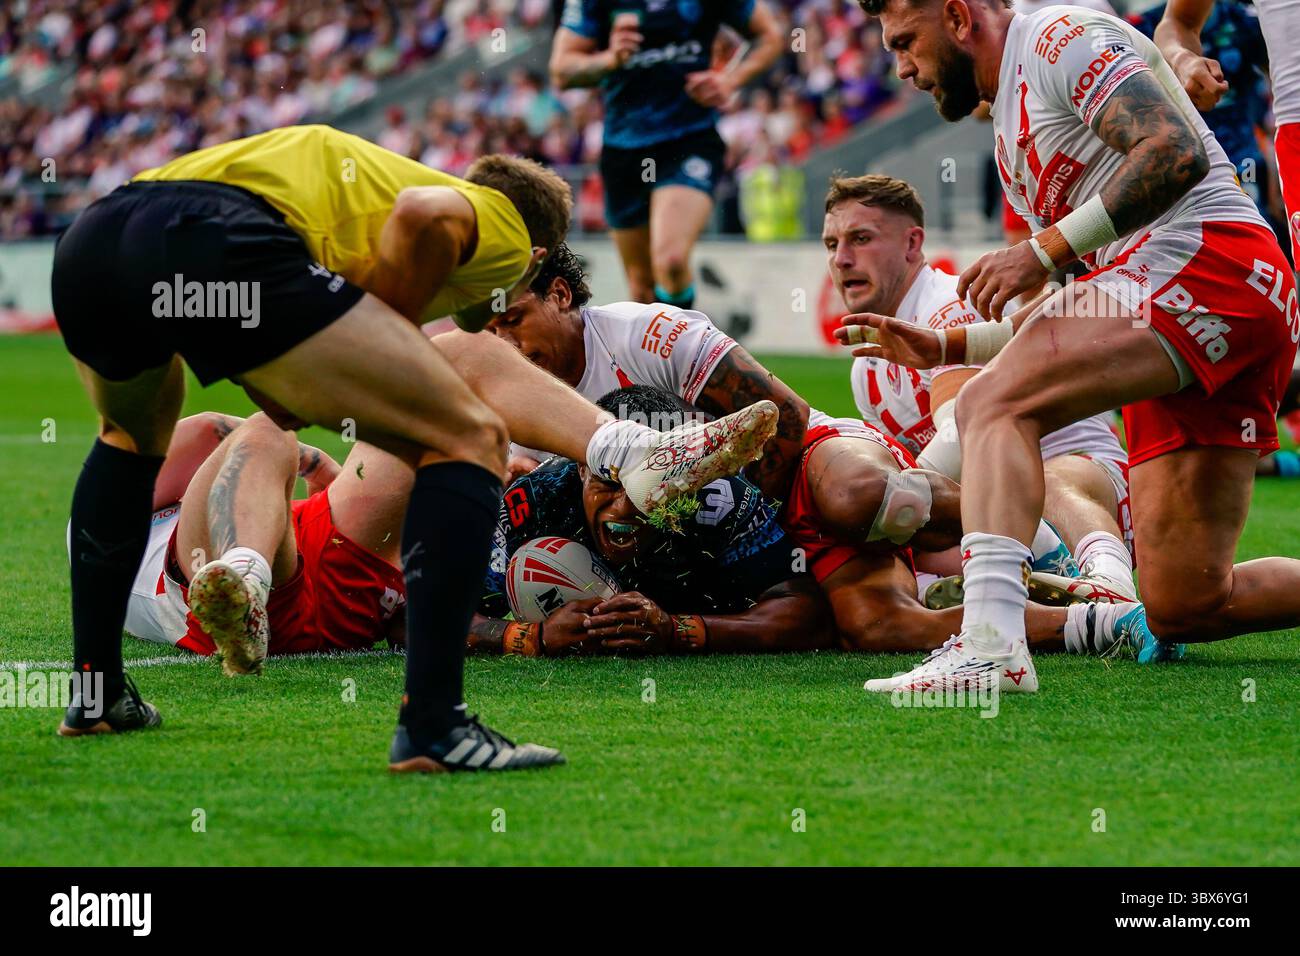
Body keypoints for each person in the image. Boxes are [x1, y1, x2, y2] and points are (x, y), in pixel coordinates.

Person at [52, 122, 777, 775]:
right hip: (220, 237)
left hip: (99, 238)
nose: (493, 323)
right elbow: (423, 218)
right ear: (536, 255)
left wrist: (332, 380)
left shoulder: (355, 195)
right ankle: (435, 725)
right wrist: (385, 347)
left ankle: (95, 694)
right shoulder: (491, 216)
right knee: (470, 435)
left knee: (126, 439)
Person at [842, 0, 1300, 693]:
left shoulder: (1058, 38)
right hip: (1202, 301)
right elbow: (1066, 313)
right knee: (1186, 603)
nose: (903, 68)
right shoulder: (1008, 139)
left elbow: (1172, 149)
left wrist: (1045, 247)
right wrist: (945, 345)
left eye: (907, 42)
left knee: (992, 405)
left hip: (1210, 263)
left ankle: (991, 646)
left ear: (960, 17)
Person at [485, 245, 1164, 657]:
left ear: (561, 294)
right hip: (697, 521)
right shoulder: (518, 440)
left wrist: (748, 555)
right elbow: (425, 602)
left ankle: (1036, 540)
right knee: (876, 629)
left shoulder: (649, 334)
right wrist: (535, 636)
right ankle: (1102, 623)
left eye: (514, 319)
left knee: (859, 499)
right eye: (490, 331)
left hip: (779, 477)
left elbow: (783, 420)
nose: (506, 347)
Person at [824, 173, 1136, 600]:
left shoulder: (949, 303)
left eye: (860, 239)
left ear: (912, 244)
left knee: (1040, 483)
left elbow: (960, 434)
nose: (842, 259)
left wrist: (886, 502)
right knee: (907, 544)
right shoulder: (868, 368)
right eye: (831, 245)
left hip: (1086, 489)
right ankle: (1019, 591)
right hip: (998, 513)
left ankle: (1108, 584)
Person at [473, 386, 834, 655]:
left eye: (651, 487)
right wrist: (529, 637)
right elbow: (426, 614)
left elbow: (808, 613)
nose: (625, 507)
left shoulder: (721, 499)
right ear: (581, 468)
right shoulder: (535, 502)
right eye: (609, 482)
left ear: (687, 472)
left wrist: (681, 630)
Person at [550, 0, 784, 307]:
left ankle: (686, 349)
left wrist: (730, 80)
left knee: (671, 261)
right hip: (623, 151)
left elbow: (770, 35)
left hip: (689, 140)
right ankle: (660, 351)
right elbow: (561, 71)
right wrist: (610, 59)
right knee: (641, 288)